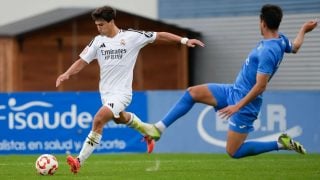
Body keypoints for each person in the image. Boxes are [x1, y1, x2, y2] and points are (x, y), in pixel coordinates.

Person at [141, 4, 318, 158]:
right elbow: (295, 47)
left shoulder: (268, 51)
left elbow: (261, 86)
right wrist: (303, 29)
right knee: (192, 93)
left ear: (262, 22)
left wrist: (237, 106)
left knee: (234, 151)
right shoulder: (281, 40)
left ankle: (280, 143)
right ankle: (158, 129)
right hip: (233, 91)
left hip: (246, 103)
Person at [55, 5, 204, 174]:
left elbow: (159, 35)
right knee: (120, 119)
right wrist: (66, 74)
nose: (98, 28)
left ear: (111, 22)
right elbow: (82, 61)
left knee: (98, 120)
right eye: (96, 25)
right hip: (106, 94)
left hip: (122, 94)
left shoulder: (132, 37)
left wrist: (184, 41)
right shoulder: (98, 41)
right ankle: (148, 131)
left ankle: (78, 161)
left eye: (101, 24)